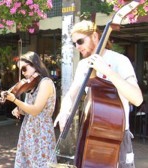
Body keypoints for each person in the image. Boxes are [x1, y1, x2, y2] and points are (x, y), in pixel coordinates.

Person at [53, 20, 143, 168]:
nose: (77, 47)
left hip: (117, 136)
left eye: (80, 41)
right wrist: (64, 112)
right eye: (75, 43)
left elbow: (137, 99)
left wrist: (107, 71)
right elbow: (71, 94)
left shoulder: (120, 60)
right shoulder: (83, 65)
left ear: (95, 36)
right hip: (90, 135)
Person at [0, 51, 57, 167]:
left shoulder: (45, 83)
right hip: (29, 132)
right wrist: (19, 109)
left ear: (35, 65)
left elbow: (35, 110)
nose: (23, 73)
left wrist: (15, 100)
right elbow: (27, 109)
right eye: (21, 70)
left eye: (24, 69)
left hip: (41, 132)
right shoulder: (32, 85)